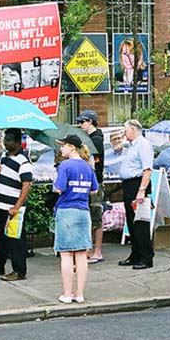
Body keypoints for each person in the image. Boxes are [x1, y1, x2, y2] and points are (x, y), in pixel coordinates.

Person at [0, 128, 32, 281]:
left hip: (13, 207)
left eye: (9, 140)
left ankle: (19, 270)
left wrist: (17, 206)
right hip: (0, 205)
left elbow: (26, 184)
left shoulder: (23, 160)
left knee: (15, 239)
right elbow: (2, 177)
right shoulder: (4, 156)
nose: (6, 143)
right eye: (5, 140)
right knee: (2, 238)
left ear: (17, 142)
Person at [53, 135, 98, 304]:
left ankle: (67, 293)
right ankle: (79, 294)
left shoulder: (65, 165)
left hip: (67, 211)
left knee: (66, 253)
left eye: (63, 146)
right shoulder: (88, 166)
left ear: (71, 147)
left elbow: (59, 188)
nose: (61, 149)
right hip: (83, 212)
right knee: (81, 254)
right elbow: (94, 190)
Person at [119, 119, 155, 270]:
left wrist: (141, 190)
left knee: (140, 223)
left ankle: (146, 257)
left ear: (134, 129)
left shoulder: (144, 145)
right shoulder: (132, 146)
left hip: (138, 184)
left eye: (126, 130)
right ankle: (135, 254)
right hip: (129, 185)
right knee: (131, 222)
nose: (124, 133)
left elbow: (147, 169)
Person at [77, 110, 105, 264]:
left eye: (82, 122)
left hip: (95, 181)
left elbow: (94, 162)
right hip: (87, 181)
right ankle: (88, 249)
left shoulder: (96, 139)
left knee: (96, 215)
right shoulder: (89, 138)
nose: (80, 125)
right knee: (89, 215)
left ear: (90, 121)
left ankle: (97, 250)